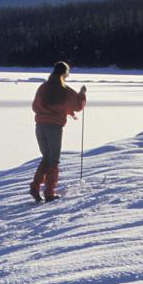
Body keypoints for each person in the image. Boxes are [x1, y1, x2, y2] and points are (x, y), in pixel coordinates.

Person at [29, 61, 86, 202]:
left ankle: (35, 187)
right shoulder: (64, 90)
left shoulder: (43, 87)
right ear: (64, 74)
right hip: (54, 128)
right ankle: (49, 192)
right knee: (53, 160)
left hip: (39, 126)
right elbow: (78, 106)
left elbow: (35, 107)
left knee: (46, 157)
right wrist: (82, 94)